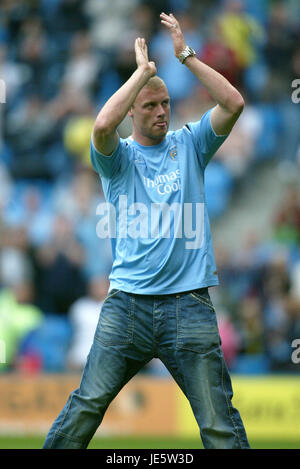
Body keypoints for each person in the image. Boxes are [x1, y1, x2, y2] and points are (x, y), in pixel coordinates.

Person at [43, 12, 250, 449]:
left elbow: (233, 103)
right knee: (85, 407)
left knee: (218, 423)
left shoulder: (190, 143)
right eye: (150, 106)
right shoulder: (117, 159)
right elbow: (101, 126)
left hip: (188, 304)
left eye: (166, 104)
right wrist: (141, 74)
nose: (161, 113)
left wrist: (185, 55)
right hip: (127, 307)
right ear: (133, 111)